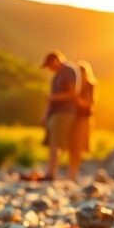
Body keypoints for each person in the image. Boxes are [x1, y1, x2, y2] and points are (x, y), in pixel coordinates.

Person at [39, 50, 80, 180]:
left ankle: (52, 173)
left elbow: (73, 93)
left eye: (50, 65)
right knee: (52, 142)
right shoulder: (57, 75)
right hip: (55, 112)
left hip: (64, 112)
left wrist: (53, 98)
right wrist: (45, 114)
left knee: (56, 143)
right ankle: (51, 172)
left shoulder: (69, 70)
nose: (49, 69)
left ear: (56, 61)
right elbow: (51, 98)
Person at [70, 60, 97, 178]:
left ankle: (74, 173)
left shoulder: (90, 85)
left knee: (78, 147)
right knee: (72, 146)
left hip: (84, 118)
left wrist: (75, 98)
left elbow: (88, 103)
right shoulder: (76, 85)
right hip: (74, 118)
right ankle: (71, 173)